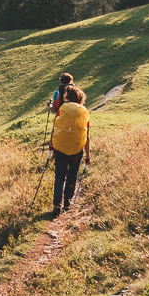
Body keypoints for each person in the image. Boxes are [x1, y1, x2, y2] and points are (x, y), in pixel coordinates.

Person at [50, 84, 91, 217]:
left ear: (67, 98)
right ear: (80, 99)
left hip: (60, 146)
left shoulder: (63, 109)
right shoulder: (83, 112)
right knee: (72, 176)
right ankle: (67, 201)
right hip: (76, 148)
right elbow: (87, 134)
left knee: (59, 176)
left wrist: (52, 145)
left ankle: (57, 203)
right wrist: (88, 155)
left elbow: (55, 126)